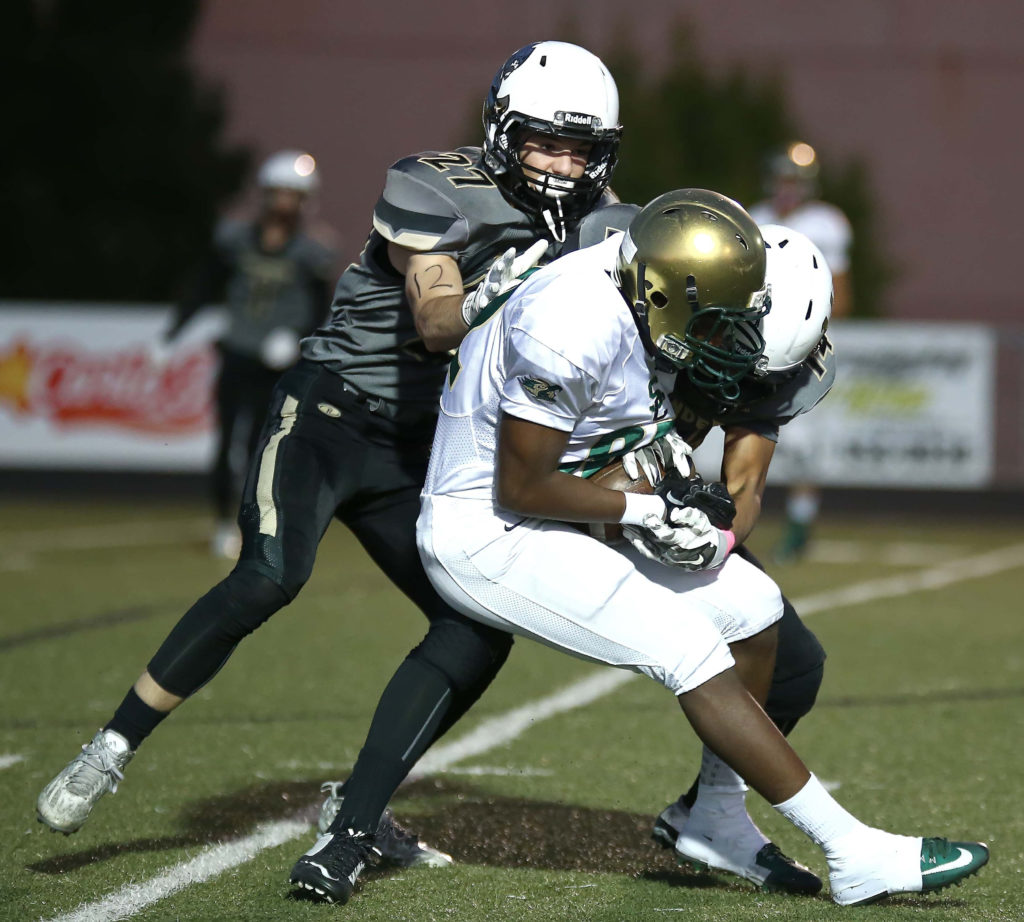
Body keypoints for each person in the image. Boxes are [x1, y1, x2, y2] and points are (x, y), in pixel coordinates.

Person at [288, 189, 988, 906]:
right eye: (724, 329)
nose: (731, 354)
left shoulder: (658, 295)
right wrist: (650, 507)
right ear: (672, 294)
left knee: (755, 604)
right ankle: (853, 851)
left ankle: (715, 817)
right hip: (488, 529)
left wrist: (685, 512)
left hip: (571, 502)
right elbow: (528, 483)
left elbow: (625, 452)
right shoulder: (574, 319)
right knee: (688, 649)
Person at [35, 40, 622, 869]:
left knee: (477, 628)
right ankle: (112, 747)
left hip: (418, 447)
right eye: (546, 143)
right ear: (501, 132)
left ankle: (359, 810)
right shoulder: (435, 183)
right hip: (328, 416)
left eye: (583, 149)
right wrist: (524, 289)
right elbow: (437, 319)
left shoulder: (600, 226)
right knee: (270, 577)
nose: (564, 166)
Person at [648, 223, 836, 891]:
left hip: (648, 510)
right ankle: (356, 820)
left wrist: (720, 529)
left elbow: (746, 484)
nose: (753, 382)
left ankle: (705, 815)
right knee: (468, 636)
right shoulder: (634, 309)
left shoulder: (762, 360)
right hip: (559, 499)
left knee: (794, 665)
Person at [165, 150, 340, 559]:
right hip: (240, 353)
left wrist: (295, 336)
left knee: (268, 446)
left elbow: (322, 310)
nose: (282, 204)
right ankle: (225, 522)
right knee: (228, 443)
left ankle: (259, 521)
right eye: (277, 194)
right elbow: (204, 285)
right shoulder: (236, 240)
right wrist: (171, 333)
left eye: (291, 195)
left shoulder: (312, 252)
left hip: (279, 365)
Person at [748, 141, 853, 561]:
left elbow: (841, 294)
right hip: (757, 341)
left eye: (794, 181)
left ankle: (800, 522)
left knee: (805, 443)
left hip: (806, 342)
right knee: (744, 427)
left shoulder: (826, 222)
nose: (786, 188)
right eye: (782, 179)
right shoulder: (756, 217)